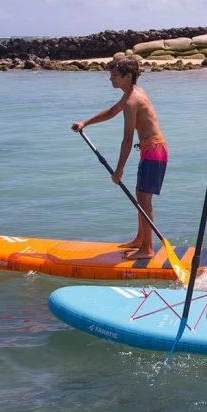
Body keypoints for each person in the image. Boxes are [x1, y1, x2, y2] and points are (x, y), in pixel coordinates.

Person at [71, 56, 168, 260]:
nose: (111, 79)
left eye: (115, 75)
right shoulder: (132, 93)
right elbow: (112, 111)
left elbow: (127, 139)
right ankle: (140, 240)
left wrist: (119, 170)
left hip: (154, 151)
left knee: (144, 201)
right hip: (152, 150)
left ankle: (147, 249)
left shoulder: (133, 100)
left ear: (128, 76)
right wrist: (85, 123)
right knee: (140, 197)